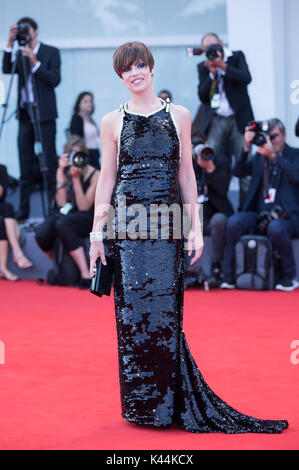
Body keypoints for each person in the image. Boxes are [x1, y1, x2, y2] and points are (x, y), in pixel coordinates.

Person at [89, 41, 288, 433]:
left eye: (141, 64)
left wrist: (194, 229)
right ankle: (141, 406)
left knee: (164, 316)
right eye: (128, 68)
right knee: (132, 318)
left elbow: (186, 175)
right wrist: (98, 234)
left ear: (151, 67)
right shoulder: (112, 121)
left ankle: (166, 404)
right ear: (120, 76)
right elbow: (106, 179)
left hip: (167, 226)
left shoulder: (177, 114)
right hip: (127, 228)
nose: (136, 72)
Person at [221, 118, 299, 292]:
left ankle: (290, 276)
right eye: (268, 137)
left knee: (276, 228)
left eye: (275, 136)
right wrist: (246, 146)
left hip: (287, 217)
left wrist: (275, 156)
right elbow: (238, 171)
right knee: (234, 222)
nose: (271, 141)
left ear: (284, 135)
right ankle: (229, 277)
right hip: (259, 213)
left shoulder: (294, 155)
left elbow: (296, 175)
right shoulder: (259, 157)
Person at [2, 17, 61, 221]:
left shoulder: (50, 52)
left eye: (26, 30)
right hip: (25, 114)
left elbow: (55, 80)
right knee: (25, 160)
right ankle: (24, 209)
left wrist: (35, 63)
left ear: (35, 31)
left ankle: (54, 205)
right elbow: (7, 69)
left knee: (49, 160)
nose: (25, 34)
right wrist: (9, 43)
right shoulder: (19, 53)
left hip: (44, 115)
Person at [197, 32, 254, 209]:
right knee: (214, 164)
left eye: (215, 47)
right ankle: (221, 212)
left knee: (244, 168)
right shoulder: (203, 66)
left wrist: (223, 66)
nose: (213, 51)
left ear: (221, 43)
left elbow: (246, 78)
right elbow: (202, 96)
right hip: (217, 121)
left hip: (238, 120)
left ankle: (246, 214)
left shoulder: (236, 57)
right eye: (208, 49)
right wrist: (213, 74)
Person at [35, 136, 99, 288]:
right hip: (67, 215)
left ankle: (85, 273)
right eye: (72, 155)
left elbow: (84, 207)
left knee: (63, 224)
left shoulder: (94, 174)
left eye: (79, 155)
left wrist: (76, 180)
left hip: (89, 216)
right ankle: (57, 263)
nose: (76, 159)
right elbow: (62, 203)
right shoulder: (64, 171)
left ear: (85, 156)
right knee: (42, 232)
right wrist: (60, 172)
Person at [190, 136, 234, 282]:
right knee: (176, 218)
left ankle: (216, 266)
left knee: (220, 220)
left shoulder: (221, 161)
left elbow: (222, 189)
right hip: (193, 217)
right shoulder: (187, 165)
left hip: (214, 215)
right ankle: (182, 271)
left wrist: (210, 169)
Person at [0, 164, 33, 281]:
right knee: (6, 210)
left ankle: (3, 267)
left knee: (4, 212)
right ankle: (17, 253)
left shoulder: (2, 169)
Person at [69, 91, 101, 169]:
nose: (89, 104)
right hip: (86, 155)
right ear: (79, 104)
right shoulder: (77, 118)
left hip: (94, 154)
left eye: (91, 101)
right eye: (86, 101)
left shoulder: (90, 119)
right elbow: (75, 139)